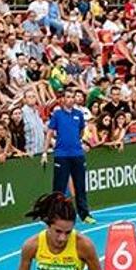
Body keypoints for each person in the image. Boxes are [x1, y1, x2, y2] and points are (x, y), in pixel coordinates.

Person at [42, 90, 96, 224]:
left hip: (77, 155)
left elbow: (81, 131)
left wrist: (77, 143)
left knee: (80, 185)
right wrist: (44, 152)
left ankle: (84, 214)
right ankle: (54, 215)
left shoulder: (79, 115)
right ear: (63, 99)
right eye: (68, 97)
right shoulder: (57, 115)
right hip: (61, 155)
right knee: (58, 188)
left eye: (73, 97)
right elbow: (49, 133)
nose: (71, 99)